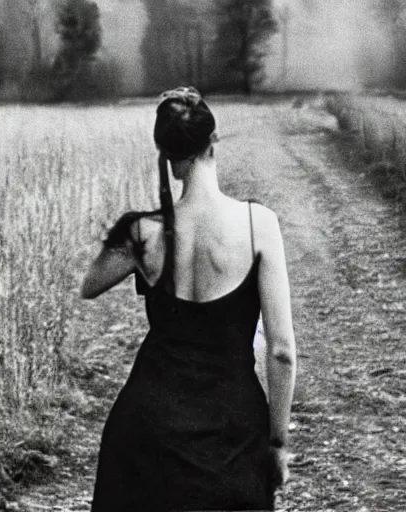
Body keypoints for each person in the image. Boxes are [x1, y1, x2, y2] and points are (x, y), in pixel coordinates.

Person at [81, 86, 297, 511]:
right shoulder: (260, 225)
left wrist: (127, 233)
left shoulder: (142, 232)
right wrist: (277, 444)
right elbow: (283, 352)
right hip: (232, 430)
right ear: (213, 143)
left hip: (148, 427)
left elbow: (88, 285)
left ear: (165, 155)